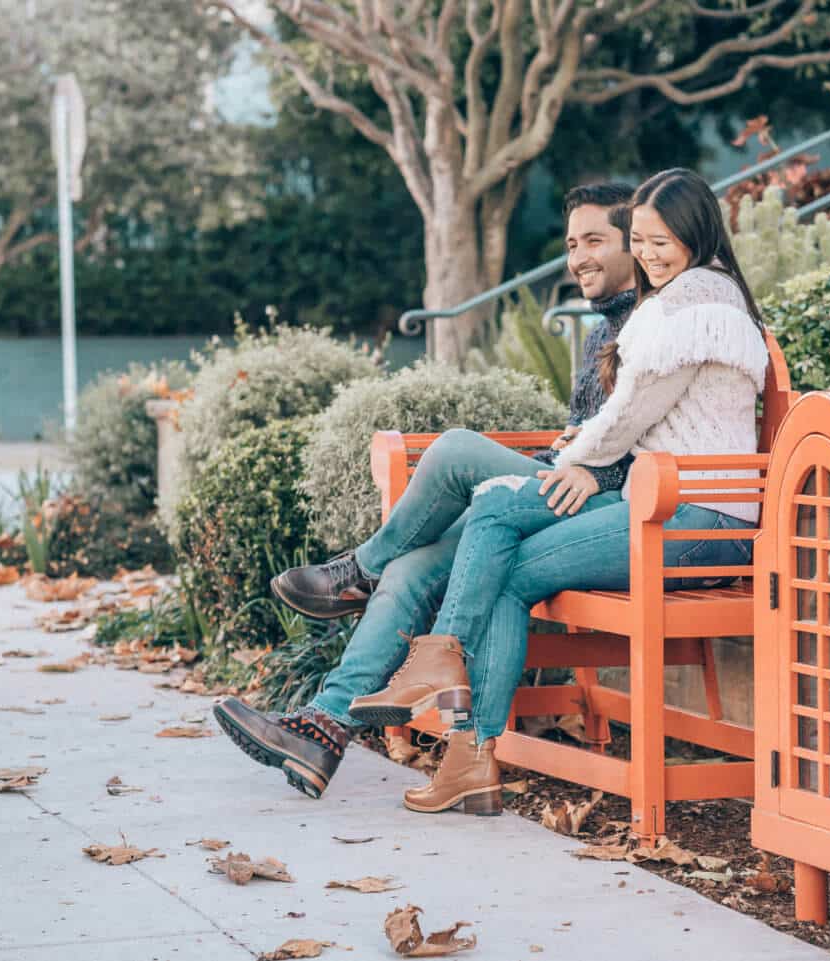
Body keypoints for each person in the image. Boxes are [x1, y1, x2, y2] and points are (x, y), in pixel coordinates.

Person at [213, 183, 638, 799]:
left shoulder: (656, 326)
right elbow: (587, 435)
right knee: (411, 570)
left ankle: (354, 572)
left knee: (457, 449)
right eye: (572, 244)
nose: (578, 258)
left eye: (595, 240)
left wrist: (582, 461)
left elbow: (639, 448)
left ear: (639, 245)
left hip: (600, 508)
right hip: (557, 494)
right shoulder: (602, 330)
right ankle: (323, 728)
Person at [383, 168, 771, 817]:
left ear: (697, 231)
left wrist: (575, 459)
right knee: (499, 516)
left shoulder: (696, 300)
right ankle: (457, 723)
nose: (649, 254)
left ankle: (456, 711)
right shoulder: (687, 297)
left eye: (662, 240)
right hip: (662, 503)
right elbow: (632, 414)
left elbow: (629, 412)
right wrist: (579, 461)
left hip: (702, 519)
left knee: (504, 552)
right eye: (641, 241)